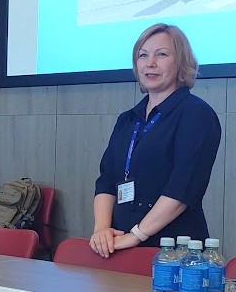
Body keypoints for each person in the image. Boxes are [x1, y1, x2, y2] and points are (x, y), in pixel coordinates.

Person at [90, 23, 220, 258]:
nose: (150, 63)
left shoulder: (196, 114)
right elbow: (107, 181)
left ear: (181, 62)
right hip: (118, 244)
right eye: (143, 55)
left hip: (174, 252)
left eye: (161, 54)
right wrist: (102, 230)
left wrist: (137, 235)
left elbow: (183, 188)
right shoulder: (127, 120)